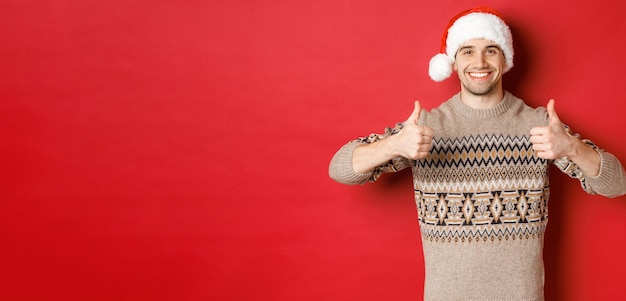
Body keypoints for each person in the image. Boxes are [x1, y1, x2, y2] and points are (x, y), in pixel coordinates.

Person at [328, 6, 626, 301]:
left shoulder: (540, 126)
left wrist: (571, 147)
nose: (480, 61)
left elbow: (617, 184)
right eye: (468, 50)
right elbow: (340, 168)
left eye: (491, 50)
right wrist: (394, 145)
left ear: (505, 59)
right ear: (453, 63)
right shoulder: (425, 128)